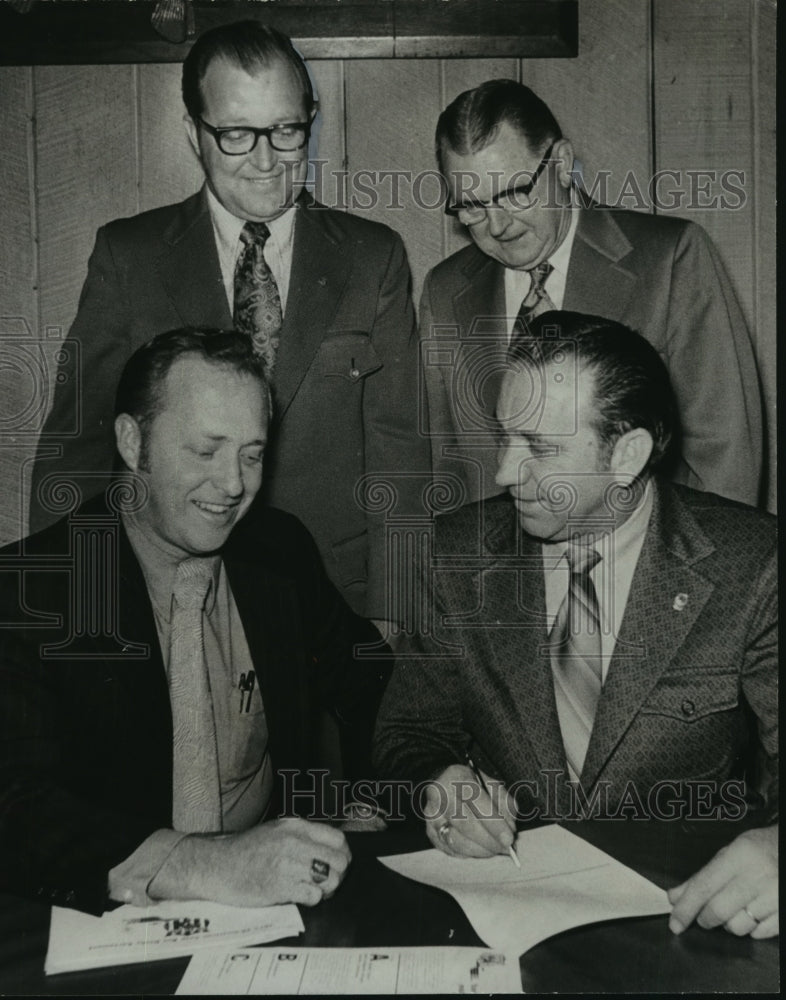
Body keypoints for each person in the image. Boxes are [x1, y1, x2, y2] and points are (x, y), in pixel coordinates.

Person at [374, 312, 777, 939]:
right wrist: (439, 783)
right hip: (502, 906)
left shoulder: (753, 565)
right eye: (507, 438)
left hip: (688, 913)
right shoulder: (457, 552)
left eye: (540, 448)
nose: (506, 472)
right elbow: (406, 733)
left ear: (627, 455)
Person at [29, 20, 429, 626]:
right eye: (237, 133)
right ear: (194, 132)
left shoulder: (373, 259)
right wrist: (68, 609)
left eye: (286, 129)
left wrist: (396, 615)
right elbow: (76, 452)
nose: (266, 160)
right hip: (171, 609)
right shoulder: (128, 257)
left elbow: (401, 460)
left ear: (310, 119)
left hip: (335, 606)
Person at [0, 329, 391, 915]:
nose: (234, 485)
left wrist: (389, 793)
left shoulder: (279, 551)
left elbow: (374, 681)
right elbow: (14, 805)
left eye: (252, 455)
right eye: (205, 451)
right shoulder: (29, 589)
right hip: (104, 918)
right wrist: (205, 863)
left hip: (275, 911)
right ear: (133, 443)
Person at [421, 78, 763, 508]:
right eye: (472, 206)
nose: (497, 226)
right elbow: (445, 469)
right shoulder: (444, 291)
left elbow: (725, 457)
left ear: (562, 163)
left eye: (514, 193)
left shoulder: (671, 259)